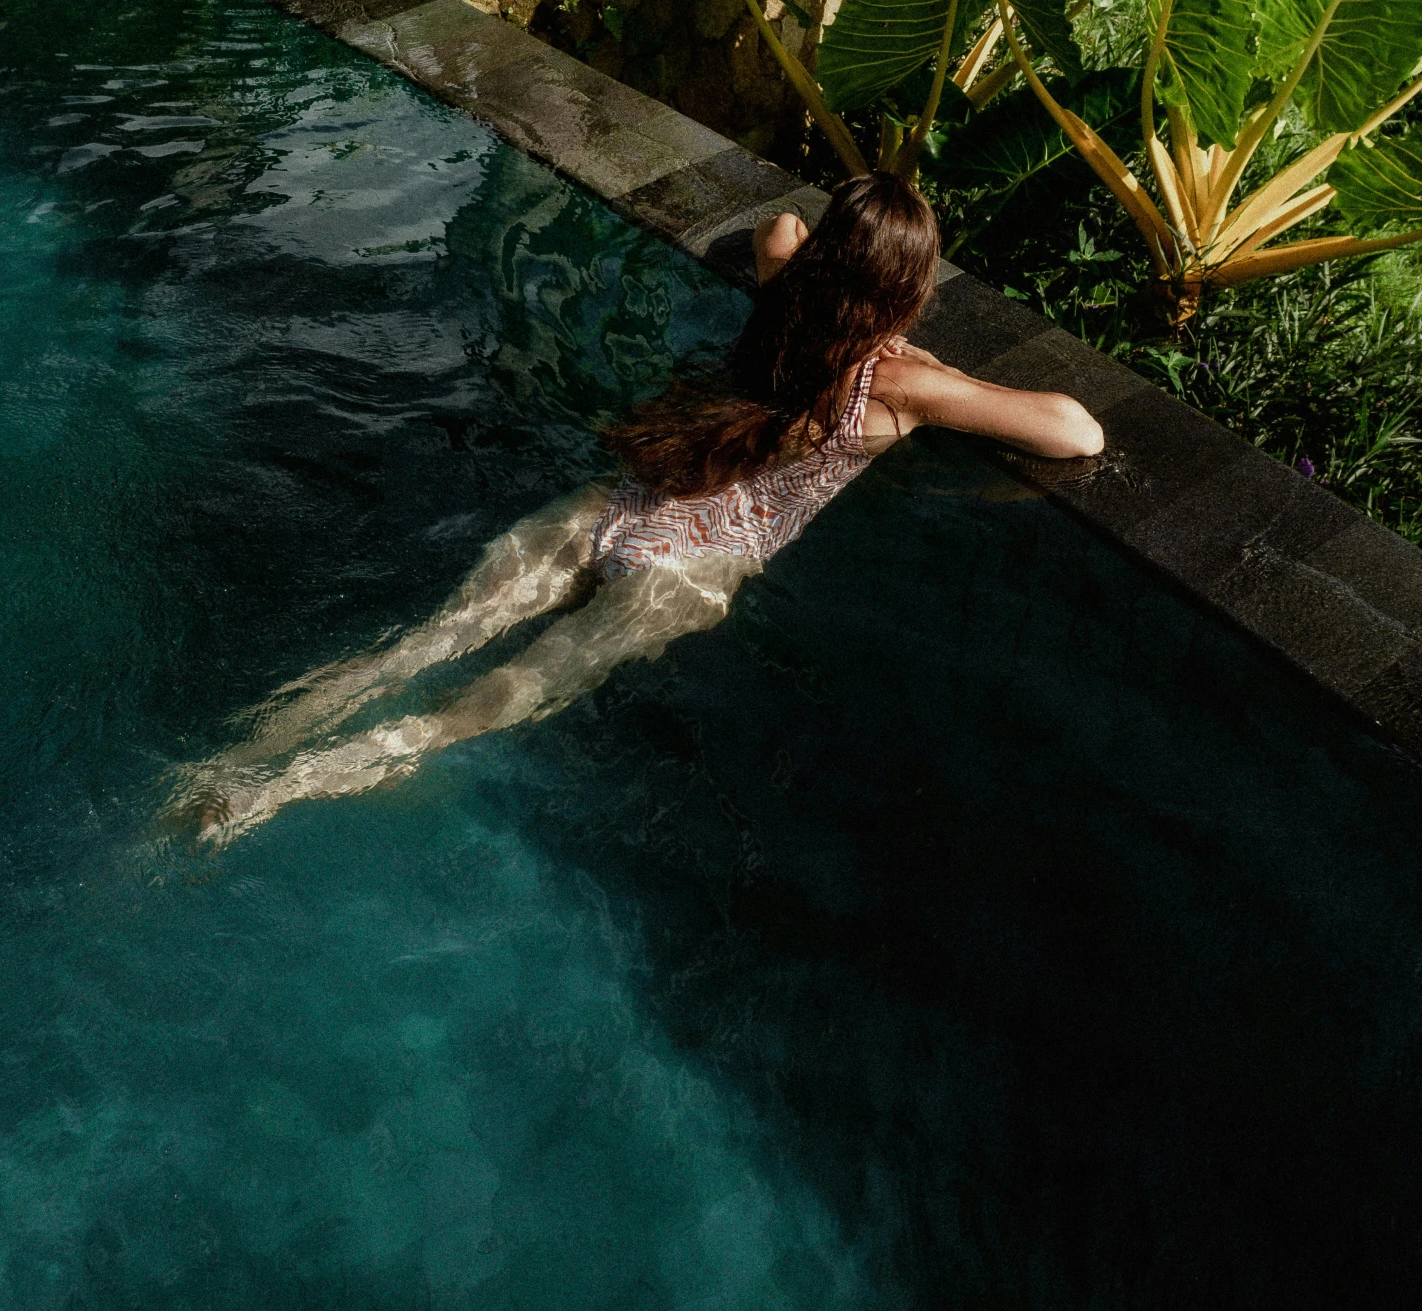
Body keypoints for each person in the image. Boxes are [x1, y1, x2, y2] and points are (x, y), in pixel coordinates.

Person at [175, 173, 1103, 843]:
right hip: (683, 572)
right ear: (903, 290)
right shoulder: (897, 385)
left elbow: (775, 228)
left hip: (616, 507)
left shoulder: (784, 296)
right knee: (456, 718)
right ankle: (273, 801)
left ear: (827, 255)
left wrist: (821, 256)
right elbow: (1076, 432)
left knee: (411, 648)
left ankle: (237, 759)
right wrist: (947, 372)